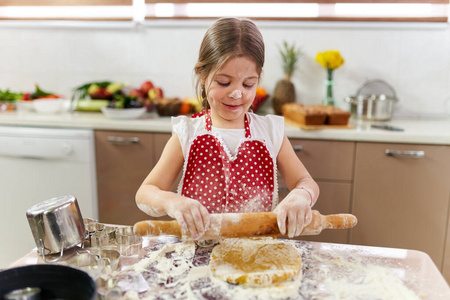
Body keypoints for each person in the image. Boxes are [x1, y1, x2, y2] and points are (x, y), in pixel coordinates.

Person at [136, 17, 319, 239]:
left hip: (256, 256)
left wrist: (301, 195)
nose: (236, 93)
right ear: (202, 75)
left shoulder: (271, 132)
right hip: (197, 259)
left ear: (258, 78)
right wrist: (172, 202)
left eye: (248, 84)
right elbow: (145, 193)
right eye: (224, 82)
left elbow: (305, 181)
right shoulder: (188, 133)